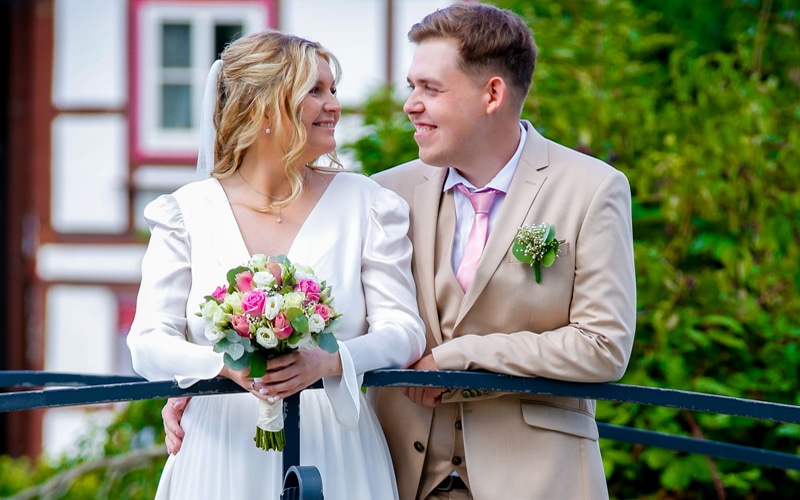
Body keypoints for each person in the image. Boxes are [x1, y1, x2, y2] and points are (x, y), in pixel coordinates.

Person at [127, 30, 425, 500]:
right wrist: (221, 367)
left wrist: (331, 361)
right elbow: (146, 342)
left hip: (333, 443)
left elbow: (405, 329)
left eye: (334, 90)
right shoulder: (186, 212)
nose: (334, 105)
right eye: (316, 90)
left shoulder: (368, 204)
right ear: (265, 106)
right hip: (219, 447)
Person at [368, 3, 636, 499]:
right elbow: (340, 323)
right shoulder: (385, 194)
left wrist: (462, 357)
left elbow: (603, 346)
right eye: (412, 87)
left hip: (537, 479)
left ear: (492, 93)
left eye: (430, 88)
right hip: (396, 475)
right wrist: (213, 377)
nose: (410, 104)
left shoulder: (592, 188)